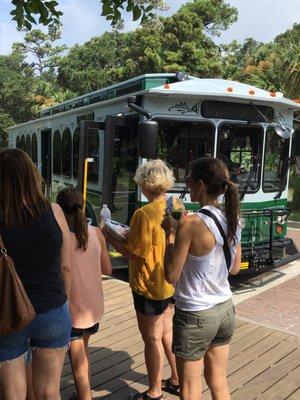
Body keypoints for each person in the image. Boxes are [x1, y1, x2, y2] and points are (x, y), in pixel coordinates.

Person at [162, 157, 241, 400]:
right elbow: (235, 268)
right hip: (225, 309)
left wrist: (171, 234)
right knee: (218, 382)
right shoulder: (233, 216)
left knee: (189, 388)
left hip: (196, 314)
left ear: (201, 184)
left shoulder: (191, 224)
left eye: (189, 182)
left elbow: (171, 275)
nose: (188, 187)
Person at [104, 159, 179, 400]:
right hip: (170, 281)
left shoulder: (142, 214)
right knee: (167, 333)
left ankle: (154, 391)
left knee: (151, 339)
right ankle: (176, 380)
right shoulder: (176, 204)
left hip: (148, 285)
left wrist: (108, 233)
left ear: (145, 185)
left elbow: (131, 253)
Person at [0, 148, 72, 400]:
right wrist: (64, 301)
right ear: (32, 175)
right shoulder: (54, 211)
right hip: (53, 308)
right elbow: (66, 267)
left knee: (13, 394)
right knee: (48, 392)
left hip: (9, 314)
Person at [56, 188, 112, 400]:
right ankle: (83, 393)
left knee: (77, 363)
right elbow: (107, 270)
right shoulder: (96, 233)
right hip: (93, 309)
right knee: (83, 356)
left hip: (72, 312)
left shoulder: (60, 241)